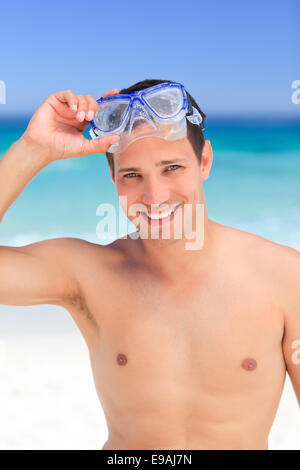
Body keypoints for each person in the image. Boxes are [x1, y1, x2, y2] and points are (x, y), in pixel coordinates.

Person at [0, 79, 299, 450]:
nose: (154, 197)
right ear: (113, 178)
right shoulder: (88, 274)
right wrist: (35, 149)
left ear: (204, 161)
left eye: (172, 167)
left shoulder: (286, 277)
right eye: (132, 175)